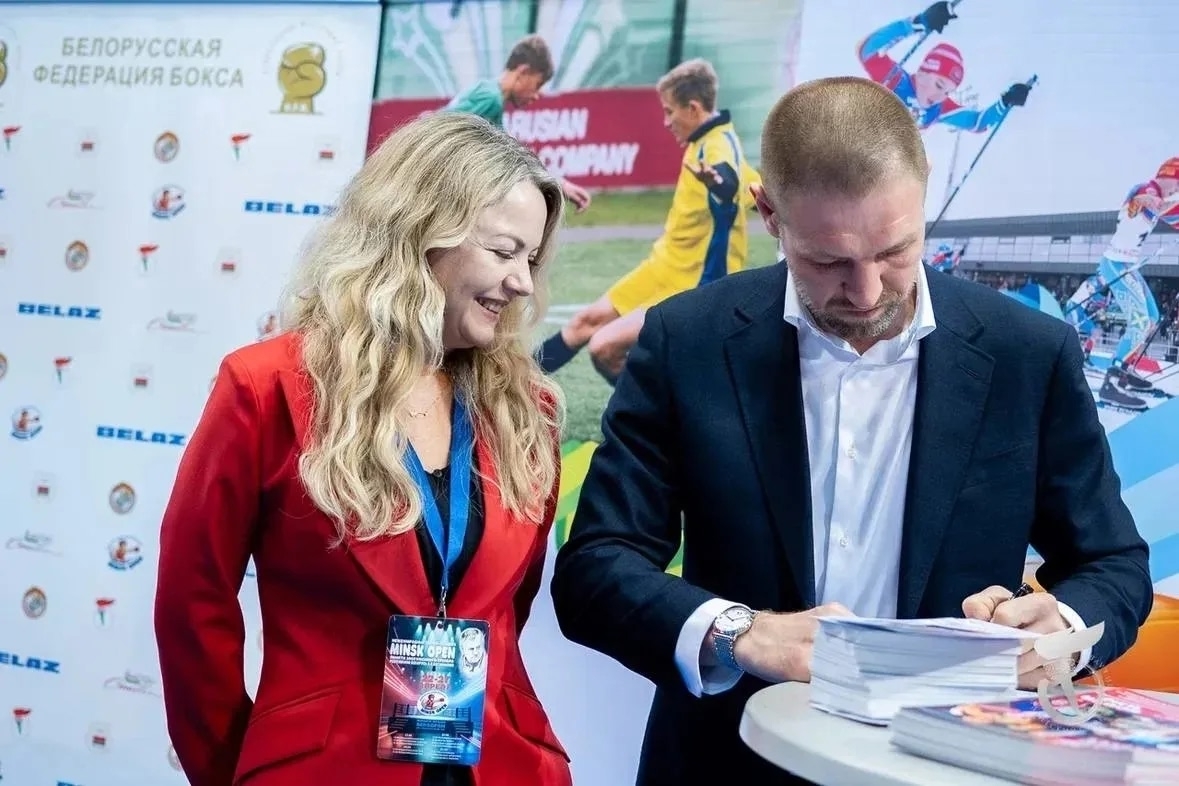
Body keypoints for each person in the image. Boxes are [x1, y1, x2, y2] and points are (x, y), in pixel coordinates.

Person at [550, 76, 1153, 785]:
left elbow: (1113, 564)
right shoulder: (687, 341)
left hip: (951, 766)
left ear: (923, 196)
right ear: (768, 213)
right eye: (828, 261)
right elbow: (597, 566)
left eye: (895, 250)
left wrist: (1061, 628)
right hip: (727, 762)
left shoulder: (1028, 354)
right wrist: (741, 632)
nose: (867, 293)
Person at [154, 112, 573, 786]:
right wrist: (233, 770)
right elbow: (191, 603)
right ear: (420, 233)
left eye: (531, 259)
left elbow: (505, 610)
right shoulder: (266, 387)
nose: (523, 281)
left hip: (499, 765)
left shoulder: (529, 410)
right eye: (503, 252)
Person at [536, 58, 758, 385]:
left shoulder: (719, 146)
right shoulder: (705, 141)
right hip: (663, 268)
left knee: (604, 348)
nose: (666, 122)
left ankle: (654, 412)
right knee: (584, 323)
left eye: (670, 112)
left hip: (690, 284)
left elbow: (726, 180)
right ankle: (512, 388)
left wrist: (720, 183)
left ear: (693, 108)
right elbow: (757, 191)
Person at [1064, 156, 1179, 412]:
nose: (1176, 189)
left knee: (1151, 318)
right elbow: (1146, 200)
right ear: (1167, 175)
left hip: (1129, 266)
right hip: (1116, 264)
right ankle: (1112, 383)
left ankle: (1126, 370)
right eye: (1177, 183)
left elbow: (1170, 214)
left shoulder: (1161, 197)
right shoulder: (1147, 188)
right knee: (1139, 322)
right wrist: (1163, 200)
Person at [444, 33, 591, 213]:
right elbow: (440, 130)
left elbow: (513, 153)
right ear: (523, 72)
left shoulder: (487, 91)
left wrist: (559, 183)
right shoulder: (491, 99)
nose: (537, 95)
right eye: (538, 84)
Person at [858, 1, 1032, 133]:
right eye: (939, 85)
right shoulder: (896, 80)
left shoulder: (938, 108)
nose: (939, 96)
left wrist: (1005, 102)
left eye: (947, 92)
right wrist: (919, 23)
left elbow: (977, 122)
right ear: (922, 73)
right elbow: (868, 50)